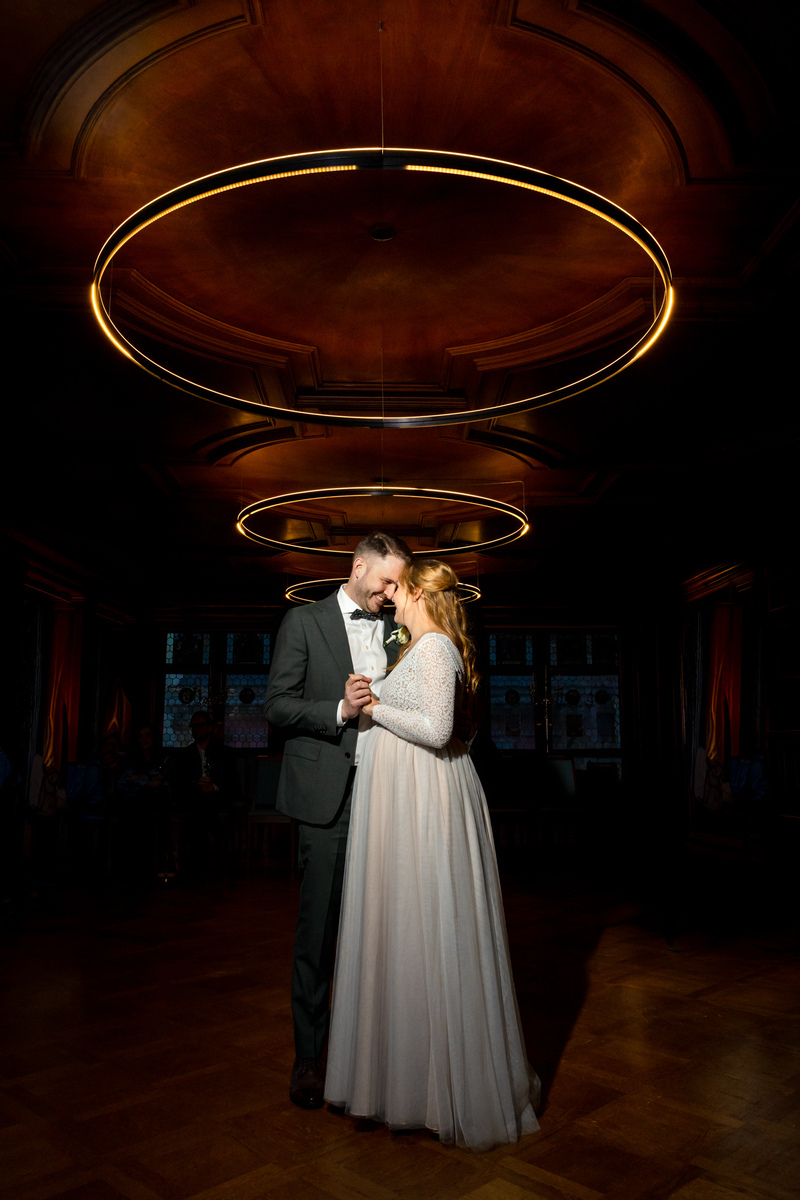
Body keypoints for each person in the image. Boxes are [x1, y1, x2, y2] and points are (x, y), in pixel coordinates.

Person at [324, 559, 540, 1151]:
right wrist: (367, 698)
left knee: (432, 930)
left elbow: (439, 726)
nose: (388, 596)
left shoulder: (437, 647)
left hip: (427, 806)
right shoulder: (417, 649)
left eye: (397, 588)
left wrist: (375, 710)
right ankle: (411, 1084)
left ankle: (445, 1088)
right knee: (407, 935)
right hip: (408, 805)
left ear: (419, 592)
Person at [264, 532, 412, 1110]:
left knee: (383, 929)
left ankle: (374, 1054)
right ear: (357, 568)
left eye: (398, 585)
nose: (392, 594)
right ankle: (310, 1057)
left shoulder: (401, 628)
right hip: (329, 801)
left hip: (391, 794)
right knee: (318, 933)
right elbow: (276, 704)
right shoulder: (303, 623)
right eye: (386, 582)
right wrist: (339, 710)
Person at [172, 711, 240, 878]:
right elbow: (180, 781)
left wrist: (214, 786)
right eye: (193, 727)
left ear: (209, 728)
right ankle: (198, 862)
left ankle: (198, 862)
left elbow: (233, 783)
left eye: (199, 726)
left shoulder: (224, 753)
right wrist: (197, 785)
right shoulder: (185, 754)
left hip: (217, 798)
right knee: (197, 805)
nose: (196, 730)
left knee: (203, 808)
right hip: (194, 798)